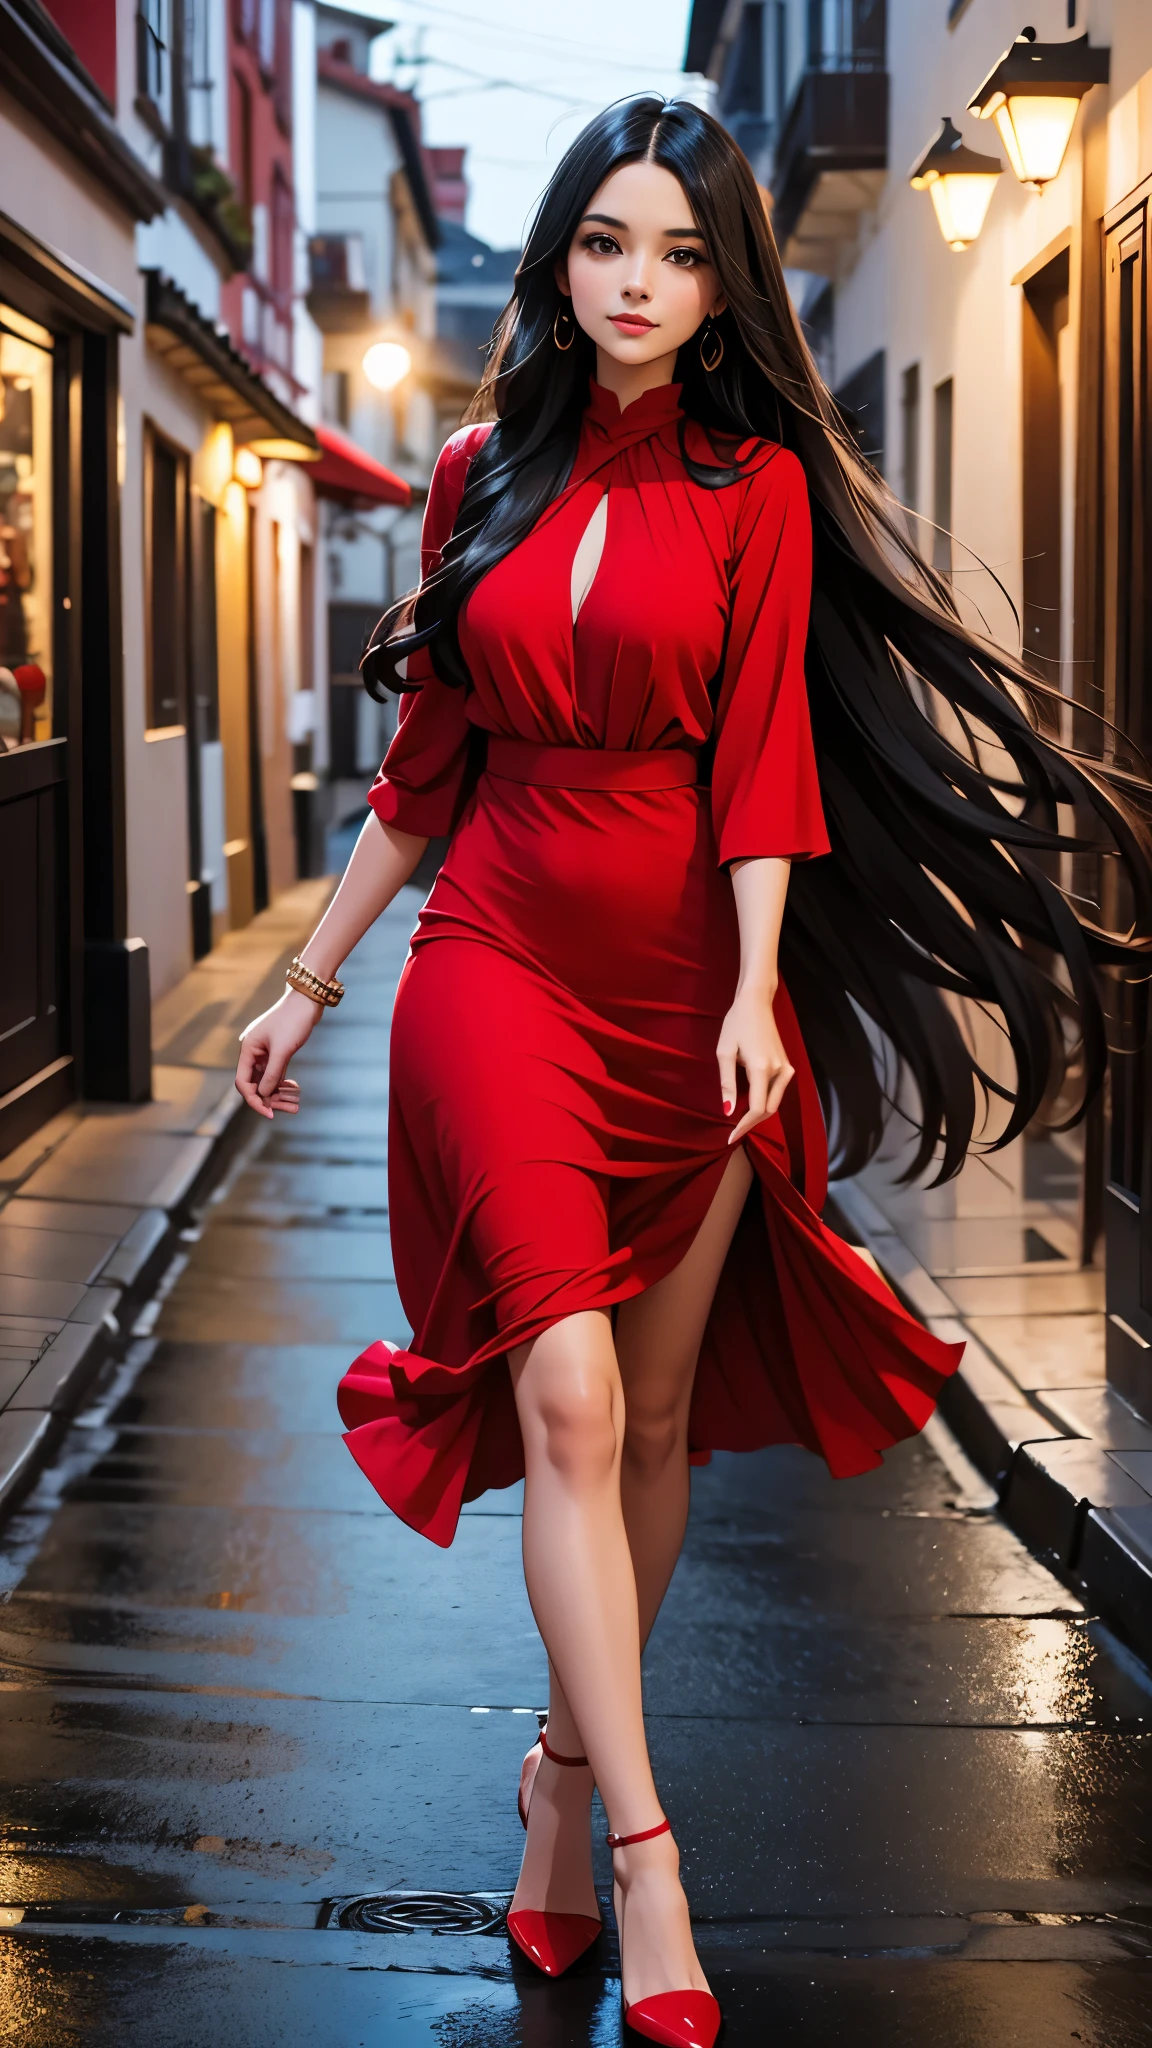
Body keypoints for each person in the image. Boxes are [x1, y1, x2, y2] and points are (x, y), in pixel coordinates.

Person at [235, 98, 1152, 2048]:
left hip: (683, 989)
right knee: (567, 1396)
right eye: (602, 244)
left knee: (650, 1431)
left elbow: (760, 762)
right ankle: (653, 1851)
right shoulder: (477, 468)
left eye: (675, 253)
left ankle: (562, 1786)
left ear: (724, 284)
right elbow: (421, 782)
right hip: (493, 958)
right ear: (560, 263)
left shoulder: (756, 490)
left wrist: (755, 988)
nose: (635, 282)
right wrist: (307, 982)